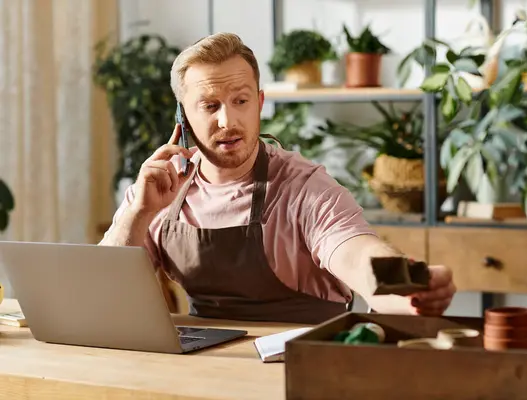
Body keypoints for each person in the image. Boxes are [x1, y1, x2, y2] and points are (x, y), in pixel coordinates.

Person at [100, 32, 456, 324]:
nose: (228, 121)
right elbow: (103, 291)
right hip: (204, 363)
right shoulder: (160, 188)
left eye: (241, 101)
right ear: (183, 118)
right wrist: (138, 214)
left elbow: (357, 255)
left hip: (304, 360)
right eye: (210, 106)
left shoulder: (305, 188)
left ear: (259, 103)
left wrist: (409, 286)